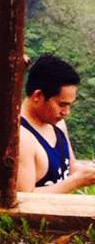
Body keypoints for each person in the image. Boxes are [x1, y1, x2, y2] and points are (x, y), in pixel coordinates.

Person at [16, 54, 95, 193]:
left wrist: (88, 172)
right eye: (62, 104)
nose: (66, 112)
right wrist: (77, 180)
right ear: (38, 96)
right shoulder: (21, 138)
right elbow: (24, 199)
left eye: (69, 105)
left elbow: (70, 168)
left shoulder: (58, 124)